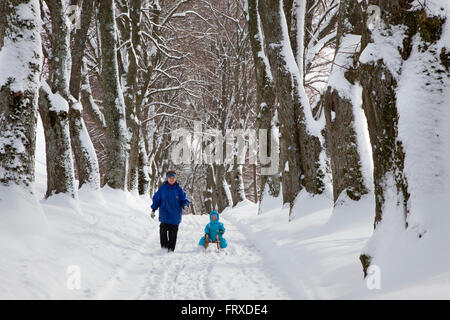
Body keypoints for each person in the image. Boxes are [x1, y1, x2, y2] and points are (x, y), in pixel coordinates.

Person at [151, 170, 190, 252]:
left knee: (173, 235)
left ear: (175, 179)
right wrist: (153, 209)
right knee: (163, 232)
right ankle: (164, 249)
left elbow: (184, 198)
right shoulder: (162, 188)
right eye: (170, 178)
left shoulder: (179, 189)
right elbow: (156, 199)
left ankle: (171, 250)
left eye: (173, 178)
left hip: (175, 216)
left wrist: (185, 204)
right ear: (167, 179)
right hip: (164, 214)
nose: (171, 179)